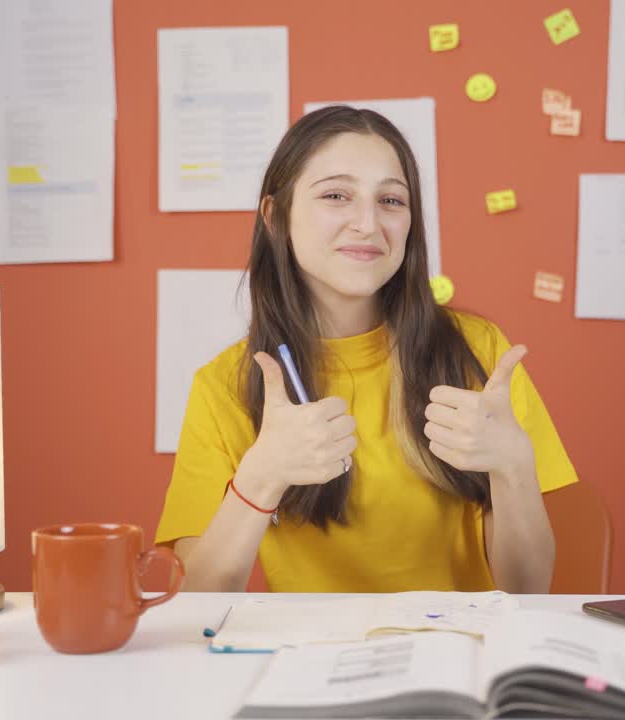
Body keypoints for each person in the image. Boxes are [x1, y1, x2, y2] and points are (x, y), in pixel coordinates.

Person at [154, 105, 578, 593]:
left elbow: (528, 590)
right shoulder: (224, 385)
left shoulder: (479, 351)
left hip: (458, 652)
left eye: (391, 201)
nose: (367, 223)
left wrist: (513, 466)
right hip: (310, 660)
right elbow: (200, 598)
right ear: (275, 216)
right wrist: (260, 479)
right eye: (337, 195)